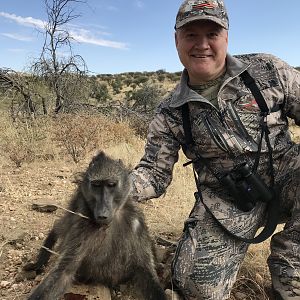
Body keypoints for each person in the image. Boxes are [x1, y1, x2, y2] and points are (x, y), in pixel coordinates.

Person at [130, 0, 300, 299]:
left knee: (294, 269)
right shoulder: (169, 111)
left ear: (226, 37)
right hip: (228, 198)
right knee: (196, 289)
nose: (202, 44)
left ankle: (290, 265)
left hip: (290, 177)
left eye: (212, 33)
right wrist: (114, 189)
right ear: (176, 40)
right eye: (191, 35)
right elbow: (153, 175)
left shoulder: (268, 69)